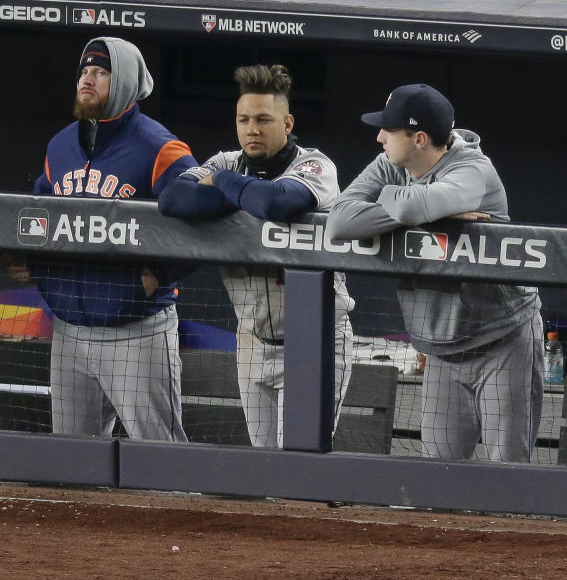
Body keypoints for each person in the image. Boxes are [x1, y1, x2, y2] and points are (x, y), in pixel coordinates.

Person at [326, 83, 544, 462]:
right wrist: (425, 210)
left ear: (420, 138)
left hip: (503, 338)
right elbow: (341, 221)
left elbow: (412, 208)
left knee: (508, 476)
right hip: (442, 348)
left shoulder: (474, 169)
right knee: (437, 480)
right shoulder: (391, 164)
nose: (379, 137)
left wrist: (408, 208)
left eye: (389, 130)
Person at [158, 64, 354, 449]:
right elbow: (172, 199)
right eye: (244, 119)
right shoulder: (225, 160)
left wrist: (227, 187)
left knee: (296, 463)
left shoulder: (314, 165)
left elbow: (277, 202)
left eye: (264, 120)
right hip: (251, 341)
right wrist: (242, 190)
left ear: (287, 122)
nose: (252, 129)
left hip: (315, 342)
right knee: (263, 463)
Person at [27, 37, 198, 440]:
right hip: (68, 330)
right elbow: (33, 216)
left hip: (135, 330)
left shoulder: (160, 147)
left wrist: (162, 272)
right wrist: (39, 271)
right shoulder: (60, 144)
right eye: (84, 71)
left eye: (101, 72)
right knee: (72, 464)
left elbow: (204, 219)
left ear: (123, 82)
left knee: (160, 457)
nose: (88, 79)